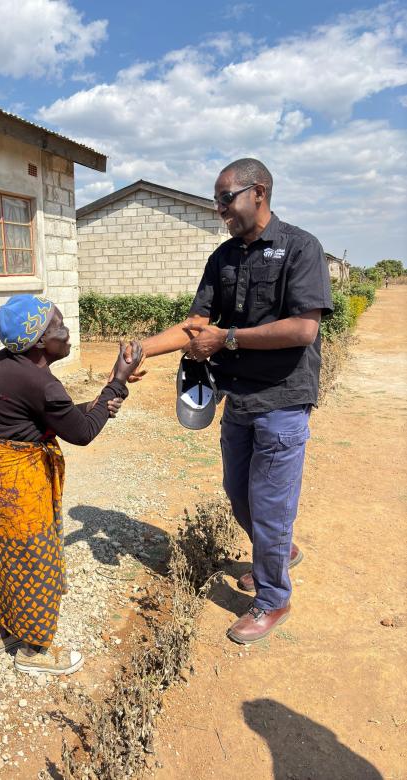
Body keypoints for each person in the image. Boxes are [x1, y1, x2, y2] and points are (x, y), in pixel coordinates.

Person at [128, 158, 333, 644]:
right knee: (239, 493)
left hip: (283, 400)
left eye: (226, 199)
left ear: (257, 193)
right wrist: (141, 350)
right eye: (216, 200)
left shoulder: (300, 248)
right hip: (237, 398)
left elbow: (304, 328)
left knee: (269, 504)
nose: (218, 209)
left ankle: (272, 598)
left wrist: (229, 339)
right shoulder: (223, 258)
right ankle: (277, 551)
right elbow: (196, 323)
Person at [0, 294, 142, 674]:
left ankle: (3, 629)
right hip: (19, 486)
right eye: (59, 327)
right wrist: (118, 383)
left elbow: (33, 421)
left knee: (0, 553)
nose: (67, 333)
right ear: (41, 341)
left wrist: (95, 404)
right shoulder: (42, 383)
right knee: (34, 558)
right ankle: (35, 651)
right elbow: (80, 434)